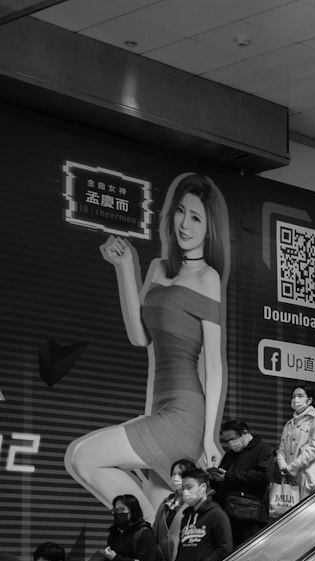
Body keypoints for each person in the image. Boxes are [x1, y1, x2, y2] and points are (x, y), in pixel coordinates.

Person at [65, 173, 229, 522]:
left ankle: (144, 537)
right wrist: (126, 267)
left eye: (196, 217)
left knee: (83, 455)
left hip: (185, 414)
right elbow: (139, 337)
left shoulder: (208, 278)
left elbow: (213, 364)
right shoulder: (158, 268)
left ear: (210, 228)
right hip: (159, 406)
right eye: (181, 212)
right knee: (158, 513)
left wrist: (211, 437)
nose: (184, 223)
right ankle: (154, 552)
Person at [210, 420, 272, 548]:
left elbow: (263, 475)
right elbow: (224, 477)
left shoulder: (262, 450)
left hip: (250, 516)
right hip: (228, 513)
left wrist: (229, 476)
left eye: (232, 438)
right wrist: (214, 477)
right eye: (227, 441)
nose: (231, 443)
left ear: (244, 433)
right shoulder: (230, 454)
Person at [275, 384, 315, 499]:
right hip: (290, 477)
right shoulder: (289, 425)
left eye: (300, 396)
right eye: (293, 397)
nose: (295, 400)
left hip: (308, 476)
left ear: (309, 400)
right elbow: (281, 449)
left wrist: (293, 466)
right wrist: (282, 465)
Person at [172, 468, 233, 561]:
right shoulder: (186, 518)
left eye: (189, 487)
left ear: (202, 488)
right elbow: (182, 549)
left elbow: (225, 549)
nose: (185, 492)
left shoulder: (217, 514)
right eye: (183, 488)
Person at [152, 459, 197, 561]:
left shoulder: (197, 503)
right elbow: (154, 532)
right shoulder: (166, 503)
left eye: (180, 474)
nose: (176, 478)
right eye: (173, 474)